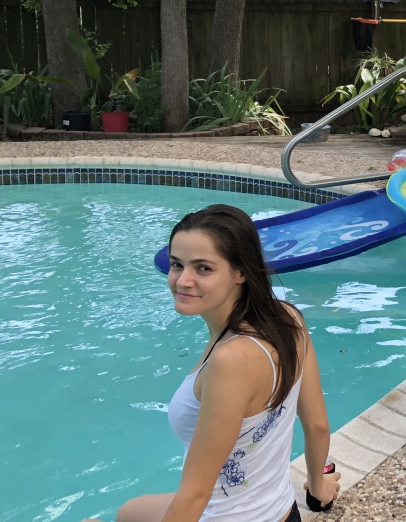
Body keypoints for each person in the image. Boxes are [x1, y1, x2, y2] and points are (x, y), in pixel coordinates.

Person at [85, 204, 340, 522]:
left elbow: (194, 496)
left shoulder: (231, 361)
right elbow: (317, 425)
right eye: (177, 264)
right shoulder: (289, 319)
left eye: (203, 268)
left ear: (241, 272)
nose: (183, 281)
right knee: (130, 513)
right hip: (281, 511)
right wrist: (318, 486)